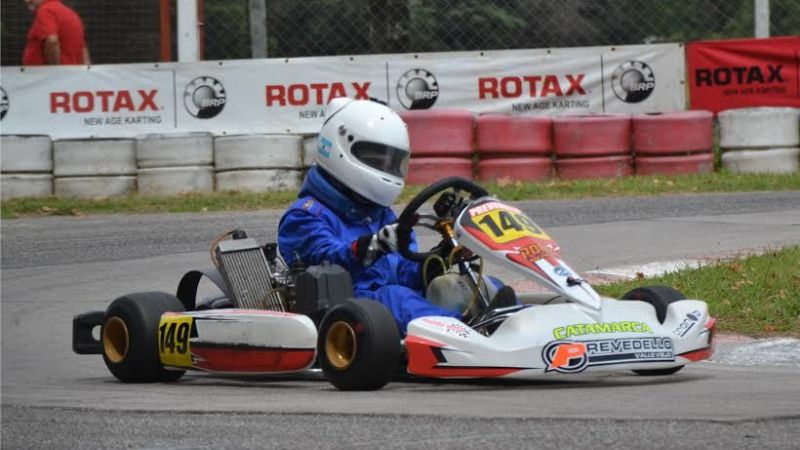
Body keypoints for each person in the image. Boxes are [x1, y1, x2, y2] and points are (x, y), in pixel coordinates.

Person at [278, 97, 514, 335]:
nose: (386, 166)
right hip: (346, 308)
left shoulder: (379, 213)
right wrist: (371, 246)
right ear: (341, 149)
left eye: (392, 161)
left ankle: (512, 322)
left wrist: (442, 255)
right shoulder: (305, 216)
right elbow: (326, 259)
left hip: (386, 304)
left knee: (466, 285)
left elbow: (403, 272)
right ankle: (470, 331)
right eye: (377, 159)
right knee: (398, 297)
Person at [23, 0, 91, 66]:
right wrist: (86, 72)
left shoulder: (45, 10)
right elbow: (83, 50)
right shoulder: (71, 13)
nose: (27, 1)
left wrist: (55, 70)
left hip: (44, 73)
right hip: (72, 72)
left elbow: (52, 40)